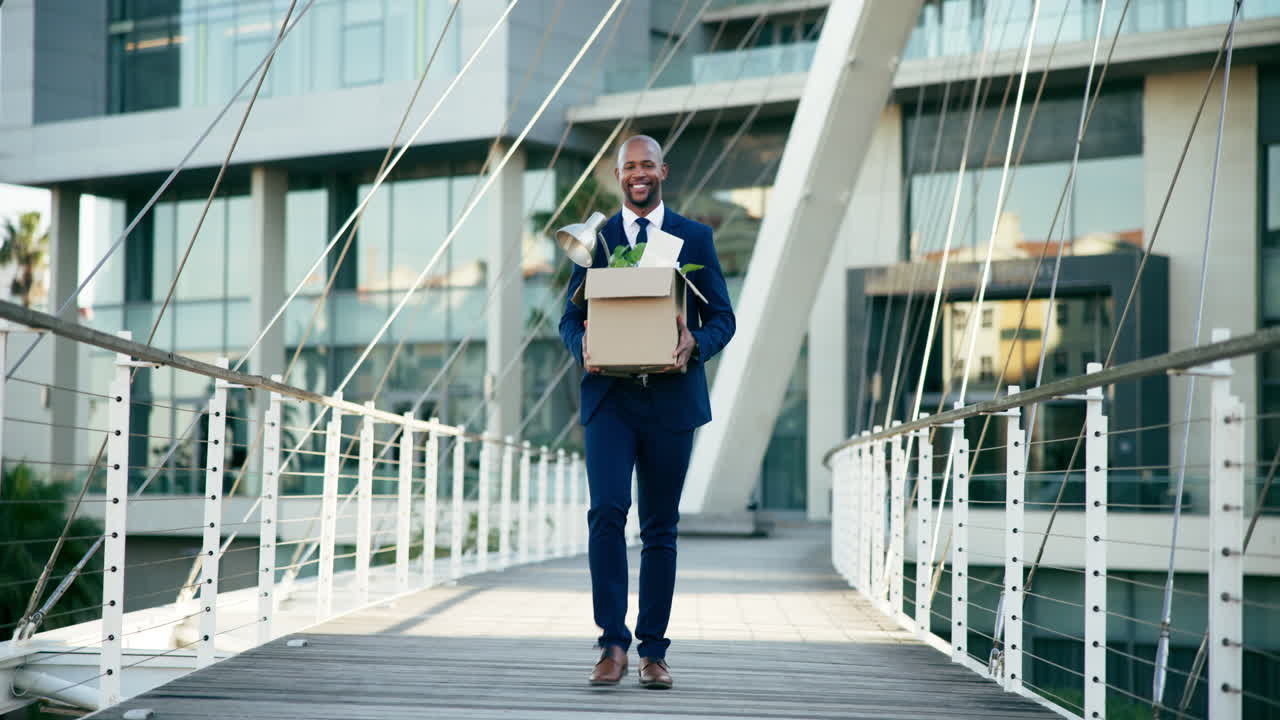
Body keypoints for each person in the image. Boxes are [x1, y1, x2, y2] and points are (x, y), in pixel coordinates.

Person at [558, 135, 736, 689]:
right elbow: (568, 319)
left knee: (660, 528)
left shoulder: (694, 237)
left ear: (663, 171)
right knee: (607, 513)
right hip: (610, 400)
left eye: (647, 165)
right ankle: (612, 644)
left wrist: (695, 346)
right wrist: (579, 347)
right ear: (618, 174)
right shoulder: (595, 239)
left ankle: (653, 652)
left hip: (670, 399)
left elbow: (723, 319)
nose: (638, 174)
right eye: (628, 166)